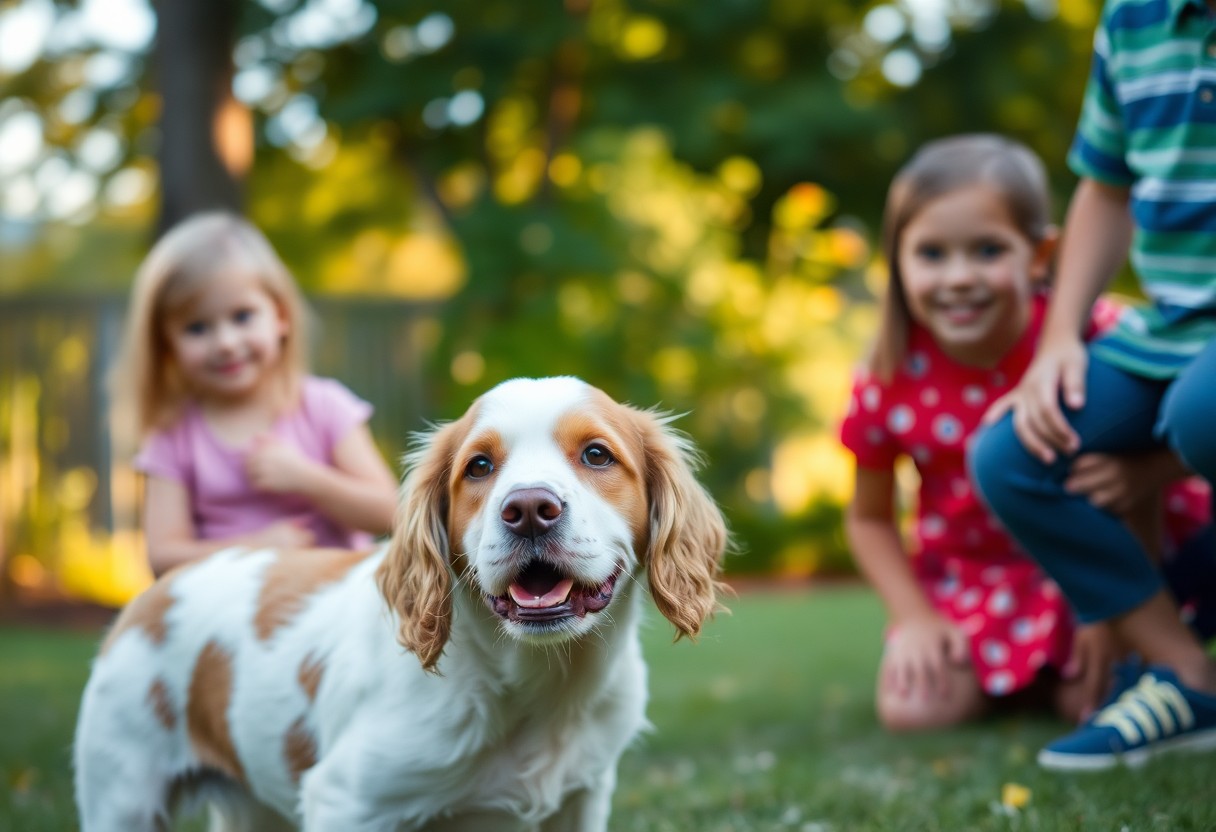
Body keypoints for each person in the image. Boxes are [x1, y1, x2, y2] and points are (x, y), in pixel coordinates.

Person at [840, 134, 1206, 733]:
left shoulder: (1092, 335)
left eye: (988, 250)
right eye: (931, 254)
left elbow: (1181, 429)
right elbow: (869, 519)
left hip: (1094, 562)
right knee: (916, 711)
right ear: (898, 261)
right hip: (971, 582)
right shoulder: (887, 376)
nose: (959, 277)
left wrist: (1139, 484)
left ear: (1039, 255)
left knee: (1090, 701)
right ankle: (1017, 671)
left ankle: (1106, 648)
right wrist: (916, 619)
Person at [970, 0, 1216, 770]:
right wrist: (1058, 342)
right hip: (1171, 331)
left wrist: (1157, 466)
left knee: (1200, 415)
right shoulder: (1133, 20)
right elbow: (1106, 188)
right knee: (1010, 454)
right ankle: (1186, 676)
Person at [110, 212, 398, 577]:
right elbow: (163, 558)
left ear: (280, 317)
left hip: (331, 603)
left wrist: (307, 478)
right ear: (166, 345)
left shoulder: (324, 407)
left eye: (242, 316)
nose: (226, 343)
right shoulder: (172, 436)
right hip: (227, 610)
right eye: (197, 328)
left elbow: (391, 512)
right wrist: (253, 548)